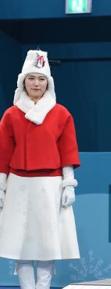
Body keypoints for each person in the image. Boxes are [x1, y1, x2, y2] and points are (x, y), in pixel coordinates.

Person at [0, 50, 80, 289]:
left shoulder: (61, 114)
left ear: (48, 82)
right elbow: (3, 153)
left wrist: (69, 184)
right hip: (18, 184)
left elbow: (68, 151)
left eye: (41, 78)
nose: (36, 83)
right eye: (32, 78)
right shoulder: (11, 115)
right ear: (23, 80)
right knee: (20, 242)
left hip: (50, 184)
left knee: (47, 242)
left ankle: (43, 286)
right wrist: (1, 185)